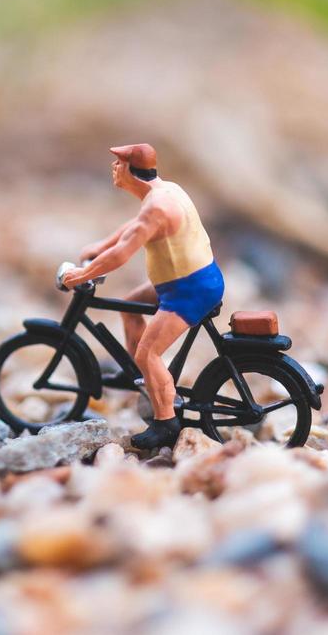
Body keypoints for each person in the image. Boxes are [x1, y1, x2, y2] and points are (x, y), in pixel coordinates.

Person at [61, 143, 225, 449]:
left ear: (129, 170)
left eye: (118, 163)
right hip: (183, 282)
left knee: (148, 353)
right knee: (129, 307)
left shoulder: (158, 207)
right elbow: (133, 228)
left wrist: (83, 275)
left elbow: (124, 251)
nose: (113, 168)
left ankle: (165, 422)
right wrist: (100, 245)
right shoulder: (165, 191)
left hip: (189, 289)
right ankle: (148, 381)